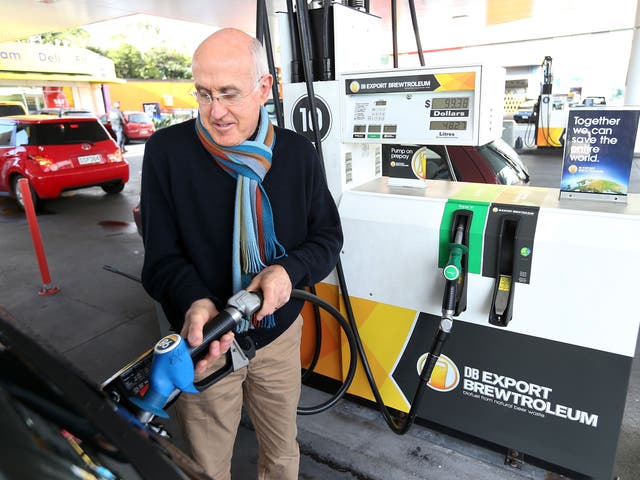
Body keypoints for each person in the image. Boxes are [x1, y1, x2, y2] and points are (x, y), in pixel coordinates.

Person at [139, 28, 343, 480]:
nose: (216, 111)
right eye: (204, 94)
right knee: (207, 467)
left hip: (278, 335)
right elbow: (160, 259)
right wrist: (196, 300)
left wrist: (288, 272)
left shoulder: (297, 154)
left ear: (264, 87)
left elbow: (327, 238)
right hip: (206, 343)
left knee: (283, 451)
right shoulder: (167, 153)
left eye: (229, 94)